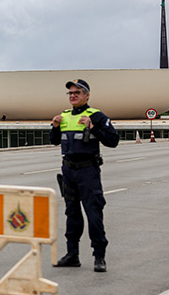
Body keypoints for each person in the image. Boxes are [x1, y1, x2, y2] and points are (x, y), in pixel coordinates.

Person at [50, 79, 119, 273]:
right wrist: (55, 126)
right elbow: (54, 141)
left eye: (77, 93)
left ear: (87, 95)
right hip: (68, 170)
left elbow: (113, 141)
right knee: (71, 214)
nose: (73, 95)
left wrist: (93, 127)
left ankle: (99, 256)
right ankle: (72, 254)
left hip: (88, 171)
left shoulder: (96, 116)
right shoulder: (63, 116)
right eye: (70, 93)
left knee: (94, 213)